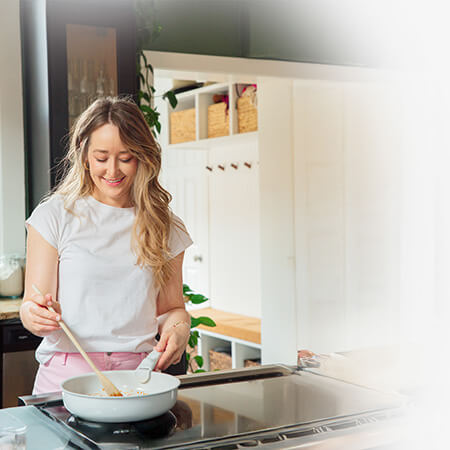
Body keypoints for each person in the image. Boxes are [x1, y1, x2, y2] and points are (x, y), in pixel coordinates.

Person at [20, 96, 193, 395]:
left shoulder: (165, 225)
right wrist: (35, 316)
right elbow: (31, 305)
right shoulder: (54, 216)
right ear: (84, 156)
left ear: (143, 157)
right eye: (101, 158)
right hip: (64, 379)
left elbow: (173, 308)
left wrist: (179, 330)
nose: (112, 171)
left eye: (125, 158)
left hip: (138, 379)